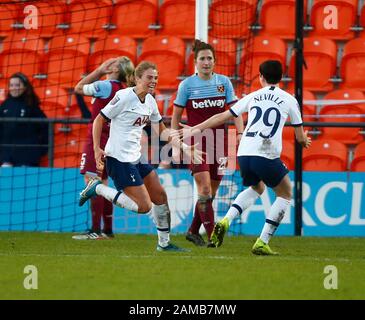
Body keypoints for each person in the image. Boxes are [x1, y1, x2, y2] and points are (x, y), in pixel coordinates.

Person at [177, 60, 311, 255]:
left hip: (244, 153)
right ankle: (262, 241)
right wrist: (305, 140)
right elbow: (299, 138)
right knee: (285, 193)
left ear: (261, 77)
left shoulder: (253, 96)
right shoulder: (289, 100)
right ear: (281, 77)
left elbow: (223, 116)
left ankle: (225, 220)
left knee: (257, 187)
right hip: (265, 153)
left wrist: (196, 128)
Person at [78, 61, 202, 251]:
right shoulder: (124, 96)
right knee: (144, 207)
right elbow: (99, 119)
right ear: (137, 78)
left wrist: (185, 148)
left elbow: (162, 132)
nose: (153, 81)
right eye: (149, 77)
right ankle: (98, 188)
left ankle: (164, 244)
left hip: (136, 158)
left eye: (156, 78)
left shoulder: (150, 101)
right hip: (118, 160)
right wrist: (96, 149)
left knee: (160, 196)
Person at [171, 39, 243, 247]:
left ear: (215, 61)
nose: (206, 62)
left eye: (209, 58)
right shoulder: (186, 85)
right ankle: (213, 237)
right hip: (196, 142)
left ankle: (193, 231)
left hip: (221, 141)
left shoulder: (224, 83)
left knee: (210, 192)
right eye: (202, 58)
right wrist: (176, 141)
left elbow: (235, 110)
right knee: (203, 190)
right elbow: (175, 117)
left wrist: (240, 132)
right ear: (195, 62)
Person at [72, 57, 135, 240]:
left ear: (116, 68)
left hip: (97, 140)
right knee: (105, 184)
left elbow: (78, 88)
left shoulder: (105, 86)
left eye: (112, 62)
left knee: (92, 183)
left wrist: (99, 70)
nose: (109, 63)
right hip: (114, 141)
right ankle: (107, 230)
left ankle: (95, 230)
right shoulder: (124, 90)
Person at [0, 72, 48, 167]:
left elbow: (44, 127)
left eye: (17, 85)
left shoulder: (31, 105)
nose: (14, 88)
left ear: (25, 87)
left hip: (27, 155)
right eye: (11, 85)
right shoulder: (5, 105)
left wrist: (43, 148)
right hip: (7, 155)